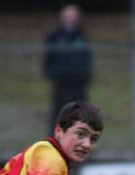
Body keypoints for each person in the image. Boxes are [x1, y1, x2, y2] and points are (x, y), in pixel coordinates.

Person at [43, 4, 93, 134]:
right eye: (68, 15)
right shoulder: (54, 37)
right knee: (59, 113)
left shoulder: (82, 36)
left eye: (74, 15)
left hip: (79, 82)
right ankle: (54, 145)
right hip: (61, 82)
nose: (71, 18)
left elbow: (87, 58)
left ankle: (80, 143)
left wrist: (86, 75)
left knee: (80, 115)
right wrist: (52, 73)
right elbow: (48, 58)